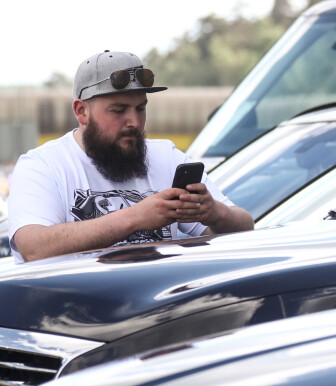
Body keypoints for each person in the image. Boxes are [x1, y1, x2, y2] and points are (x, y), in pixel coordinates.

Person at [8, 51, 253, 264]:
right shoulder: (43, 166)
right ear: (81, 111)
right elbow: (33, 248)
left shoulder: (167, 157)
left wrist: (215, 213)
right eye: (118, 110)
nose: (134, 122)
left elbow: (246, 228)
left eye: (140, 108)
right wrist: (136, 217)